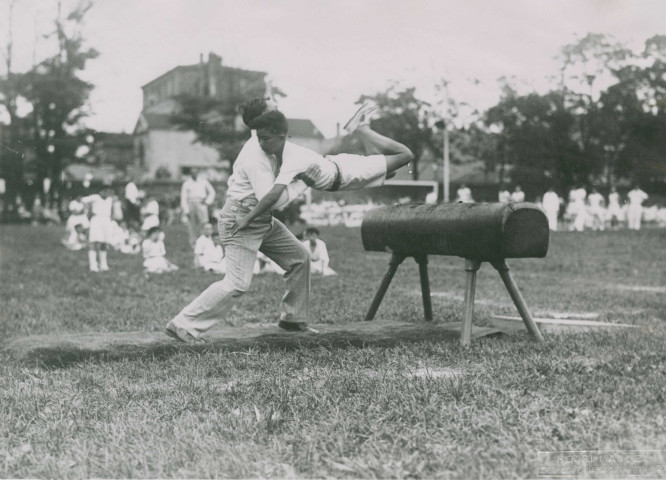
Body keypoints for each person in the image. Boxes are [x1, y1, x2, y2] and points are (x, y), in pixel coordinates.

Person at [164, 99, 316, 343]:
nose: (278, 109)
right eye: (271, 108)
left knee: (300, 258)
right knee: (237, 283)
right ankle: (183, 324)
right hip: (242, 218)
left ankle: (293, 319)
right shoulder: (256, 153)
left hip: (258, 217)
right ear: (258, 123)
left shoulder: (270, 142)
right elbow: (272, 199)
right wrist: (304, 182)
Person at [229, 106, 413, 233]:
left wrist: (248, 219)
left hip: (346, 173)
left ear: (281, 136)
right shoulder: (279, 152)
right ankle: (362, 129)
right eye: (259, 138)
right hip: (339, 171)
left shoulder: (293, 159)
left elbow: (271, 196)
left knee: (405, 155)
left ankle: (362, 130)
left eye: (266, 138)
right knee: (387, 171)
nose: (261, 143)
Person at [180, 168, 216, 247]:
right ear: (190, 174)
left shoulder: (203, 182)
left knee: (204, 223)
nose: (194, 174)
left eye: (195, 172)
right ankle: (193, 243)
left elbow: (212, 192)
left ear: (198, 173)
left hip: (201, 202)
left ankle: (206, 242)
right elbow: (183, 197)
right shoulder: (187, 183)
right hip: (191, 202)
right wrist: (186, 210)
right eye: (192, 173)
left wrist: (207, 201)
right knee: (192, 224)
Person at [81, 188, 114, 272]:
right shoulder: (95, 197)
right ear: (100, 191)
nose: (106, 193)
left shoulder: (110, 199)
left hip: (106, 221)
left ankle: (103, 264)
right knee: (94, 242)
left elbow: (111, 210)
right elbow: (83, 200)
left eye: (108, 191)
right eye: (104, 191)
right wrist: (88, 210)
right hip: (97, 220)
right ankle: (93, 265)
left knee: (104, 243)